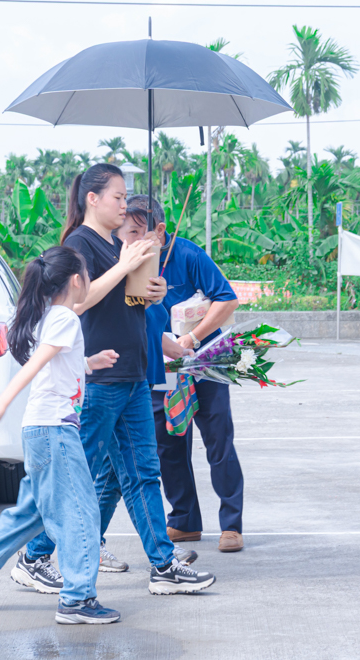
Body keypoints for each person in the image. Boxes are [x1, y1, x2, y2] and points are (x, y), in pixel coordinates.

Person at [15, 164, 216, 595]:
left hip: (132, 375)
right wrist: (124, 265)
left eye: (126, 198)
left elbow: (124, 303)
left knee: (144, 474)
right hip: (100, 380)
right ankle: (33, 555)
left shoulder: (111, 244)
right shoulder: (78, 245)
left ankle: (163, 566)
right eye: (118, 197)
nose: (125, 206)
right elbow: (79, 302)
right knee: (78, 477)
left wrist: (149, 291)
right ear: (93, 198)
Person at [0, 246, 121, 625]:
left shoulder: (47, 316)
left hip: (43, 431)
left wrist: (88, 363)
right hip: (55, 430)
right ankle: (77, 600)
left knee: (37, 513)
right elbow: (37, 366)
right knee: (80, 513)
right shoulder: (64, 318)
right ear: (77, 280)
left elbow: (54, 367)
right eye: (88, 275)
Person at [108, 195, 244, 554]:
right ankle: (184, 520)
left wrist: (193, 337)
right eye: (124, 235)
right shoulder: (127, 262)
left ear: (160, 230)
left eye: (138, 232)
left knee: (218, 440)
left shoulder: (188, 255)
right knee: (168, 443)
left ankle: (231, 525)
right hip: (160, 364)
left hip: (205, 360)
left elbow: (227, 298)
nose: (131, 242)